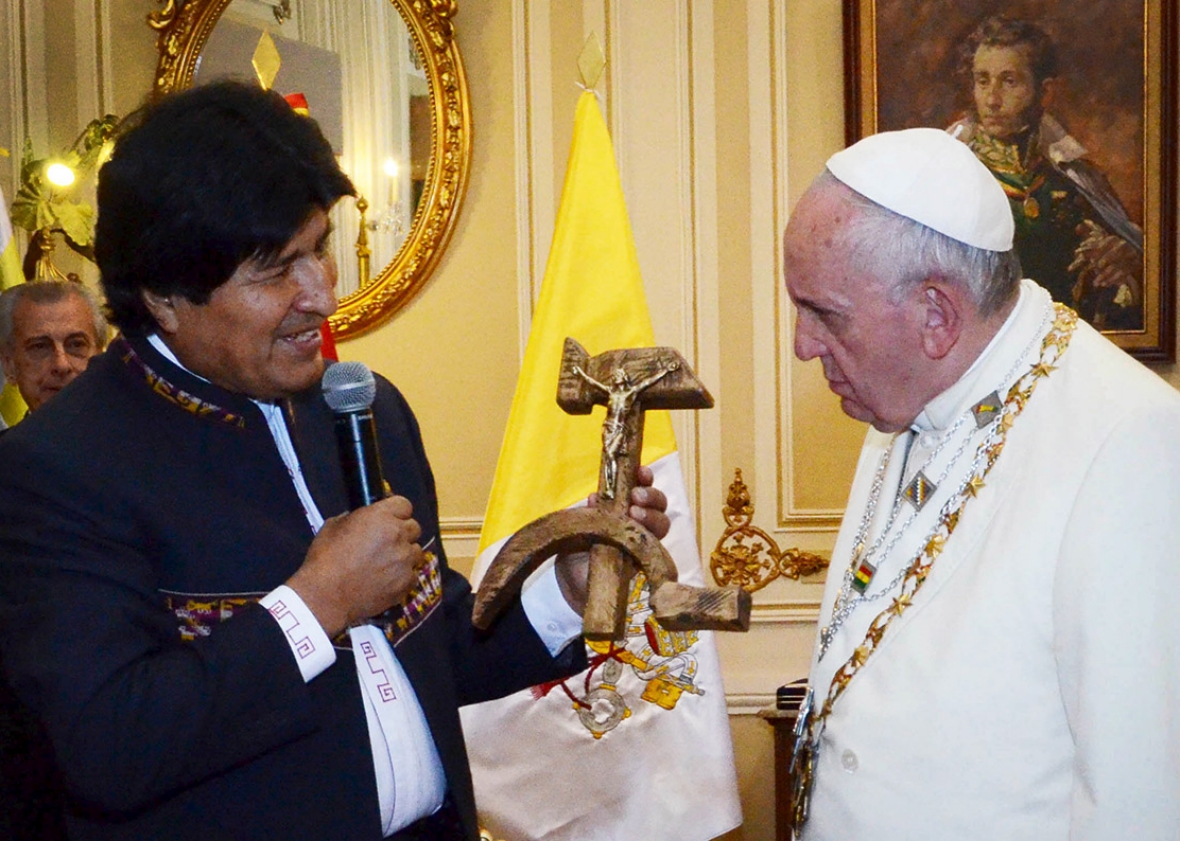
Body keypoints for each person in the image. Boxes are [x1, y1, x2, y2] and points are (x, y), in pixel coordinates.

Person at [0, 81, 669, 841]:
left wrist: (564, 585)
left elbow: (430, 647)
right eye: (276, 268)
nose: (322, 293)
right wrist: (315, 603)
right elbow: (111, 747)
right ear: (163, 295)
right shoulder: (55, 468)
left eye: (319, 245)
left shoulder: (364, 405)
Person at [783, 127, 1180, 840]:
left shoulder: (1130, 441)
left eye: (825, 314)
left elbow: (1141, 799)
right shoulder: (905, 392)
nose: (802, 343)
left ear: (936, 315)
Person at [948, 15, 1144, 330]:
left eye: (1009, 81)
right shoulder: (949, 175)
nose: (992, 99)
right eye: (982, 80)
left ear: (1045, 91)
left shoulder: (1074, 177)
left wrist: (1123, 263)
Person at [0, 280, 107, 418]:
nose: (61, 365)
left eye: (76, 345)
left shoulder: (139, 437)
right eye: (40, 347)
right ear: (9, 365)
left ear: (101, 355)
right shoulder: (8, 440)